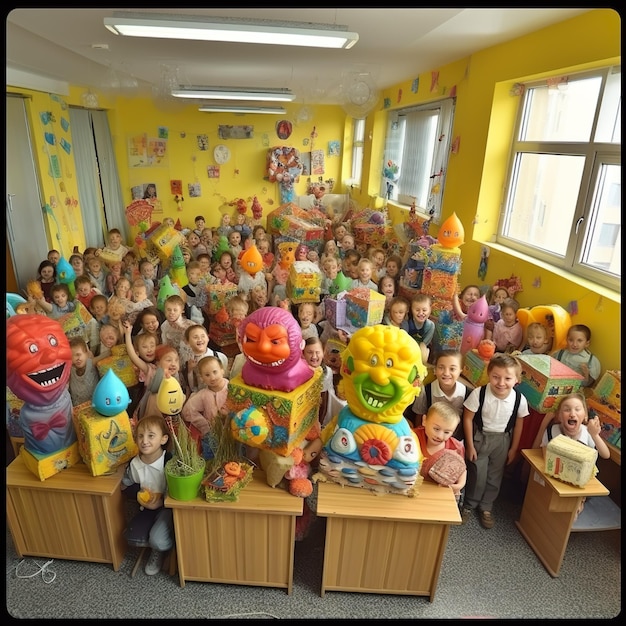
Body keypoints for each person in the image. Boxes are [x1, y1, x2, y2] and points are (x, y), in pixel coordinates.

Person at [461, 354, 529, 528]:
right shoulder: (480, 393)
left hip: (502, 440)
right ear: (489, 374)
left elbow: (519, 425)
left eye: (507, 378)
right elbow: (467, 418)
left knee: (495, 475)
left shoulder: (519, 400)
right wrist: (469, 445)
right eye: (496, 377)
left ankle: (486, 506)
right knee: (477, 473)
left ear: (516, 379)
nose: (501, 383)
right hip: (480, 438)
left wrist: (513, 448)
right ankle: (470, 504)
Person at [121, 414, 175, 576]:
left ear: (163, 439)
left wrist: (161, 502)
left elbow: (177, 492)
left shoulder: (169, 461)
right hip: (146, 508)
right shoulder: (134, 464)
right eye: (140, 436)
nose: (144, 441)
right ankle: (158, 543)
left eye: (151, 436)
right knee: (132, 537)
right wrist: (138, 495)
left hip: (167, 508)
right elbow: (126, 485)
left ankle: (161, 549)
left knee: (157, 540)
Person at [407, 350, 471, 437]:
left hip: (456, 439)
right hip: (431, 437)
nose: (446, 373)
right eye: (441, 367)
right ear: (435, 370)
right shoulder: (426, 391)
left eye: (452, 369)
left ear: (460, 371)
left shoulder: (467, 393)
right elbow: (419, 416)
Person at [414, 402, 467, 502]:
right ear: (424, 420)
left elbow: (462, 470)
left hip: (440, 493)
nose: (440, 436)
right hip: (413, 488)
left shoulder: (456, 448)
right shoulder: (412, 437)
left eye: (447, 432)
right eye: (436, 429)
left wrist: (459, 485)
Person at [535, 392, 610, 459]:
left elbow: (605, 455)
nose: (572, 414)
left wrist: (595, 435)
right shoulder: (550, 431)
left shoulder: (588, 433)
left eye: (577, 409)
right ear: (559, 416)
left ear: (585, 416)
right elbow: (540, 454)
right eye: (567, 410)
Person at [181, 355, 229, 458]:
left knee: (234, 455)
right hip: (212, 432)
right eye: (207, 375)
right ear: (202, 378)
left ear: (222, 371)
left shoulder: (231, 389)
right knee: (211, 454)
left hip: (231, 430)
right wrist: (204, 426)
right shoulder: (203, 395)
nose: (212, 377)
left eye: (215, 372)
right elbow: (187, 411)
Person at [181, 324, 228, 394]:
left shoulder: (219, 356)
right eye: (195, 337)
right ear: (187, 342)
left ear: (208, 338)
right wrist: (190, 370)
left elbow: (225, 376)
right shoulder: (188, 361)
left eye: (203, 336)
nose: (200, 339)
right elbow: (192, 387)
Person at [302, 336, 335, 425]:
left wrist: (318, 423)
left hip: (318, 414)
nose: (314, 356)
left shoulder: (326, 372)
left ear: (323, 353)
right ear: (303, 354)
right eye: (309, 352)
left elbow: (323, 402)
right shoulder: (299, 372)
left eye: (317, 352)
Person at [68, 337, 100, 407]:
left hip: (94, 406)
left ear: (86, 354)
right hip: (78, 407)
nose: (77, 359)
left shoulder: (91, 363)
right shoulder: (70, 369)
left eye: (78, 354)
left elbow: (106, 354)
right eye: (73, 356)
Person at [407, 293, 435, 365]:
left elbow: (425, 343)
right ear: (411, 309)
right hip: (408, 347)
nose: (421, 313)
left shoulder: (430, 325)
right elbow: (404, 338)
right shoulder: (406, 323)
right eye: (417, 310)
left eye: (424, 310)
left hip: (421, 350)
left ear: (430, 310)